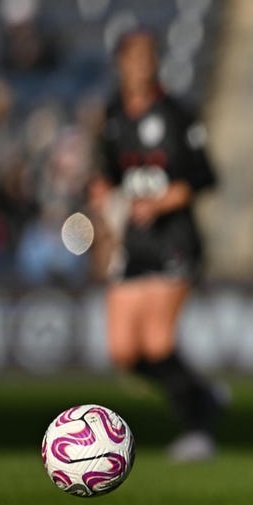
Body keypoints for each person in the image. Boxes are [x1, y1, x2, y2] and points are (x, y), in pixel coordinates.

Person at [89, 28, 223, 462]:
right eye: (135, 57)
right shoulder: (111, 116)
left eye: (150, 56)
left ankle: (198, 428)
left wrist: (164, 200)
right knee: (124, 351)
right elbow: (105, 176)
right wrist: (104, 207)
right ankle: (203, 393)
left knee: (158, 343)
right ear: (121, 63)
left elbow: (204, 177)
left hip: (174, 239)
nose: (143, 64)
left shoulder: (177, 115)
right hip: (134, 241)